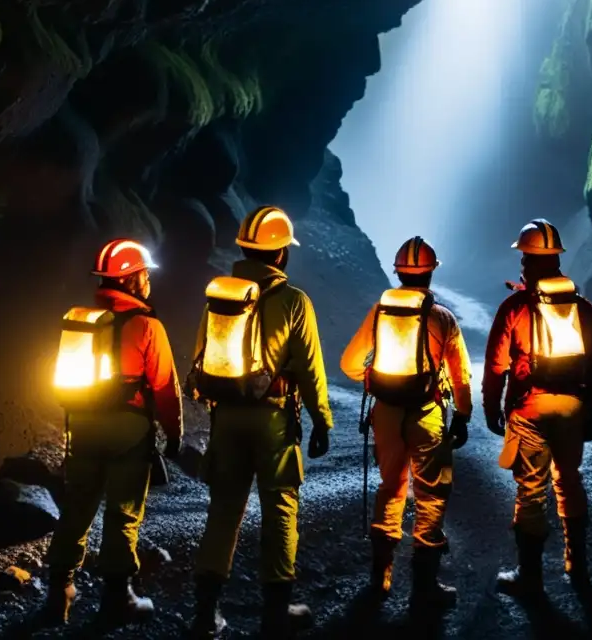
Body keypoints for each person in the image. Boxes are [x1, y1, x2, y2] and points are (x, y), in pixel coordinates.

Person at [189, 205, 332, 638]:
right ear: (282, 254)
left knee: (224, 511)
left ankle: (204, 614)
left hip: (227, 418)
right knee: (280, 508)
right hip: (273, 421)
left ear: (244, 250)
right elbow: (310, 369)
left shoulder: (220, 296)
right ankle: (276, 612)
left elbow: (200, 357)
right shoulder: (293, 301)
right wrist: (321, 421)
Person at [44, 238, 184, 625]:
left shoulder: (83, 320)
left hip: (85, 425)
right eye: (143, 274)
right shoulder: (147, 325)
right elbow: (165, 387)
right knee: (123, 514)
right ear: (132, 280)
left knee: (76, 509)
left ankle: (59, 591)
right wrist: (173, 433)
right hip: (128, 429)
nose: (147, 281)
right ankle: (117, 598)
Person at [341, 236, 472, 611]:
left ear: (397, 272)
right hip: (427, 414)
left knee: (391, 486)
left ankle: (380, 579)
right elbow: (461, 376)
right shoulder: (442, 318)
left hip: (385, 413)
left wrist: (375, 376)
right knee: (431, 494)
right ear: (431, 273)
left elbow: (349, 364)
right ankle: (424, 586)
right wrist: (462, 416)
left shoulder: (380, 311)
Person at [482, 219, 592, 597]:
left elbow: (495, 365)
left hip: (528, 409)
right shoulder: (583, 307)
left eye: (524, 256)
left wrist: (491, 408)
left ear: (530, 260)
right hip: (572, 407)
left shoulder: (514, 308)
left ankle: (530, 576)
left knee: (531, 490)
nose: (521, 263)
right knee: (569, 481)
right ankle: (577, 565)